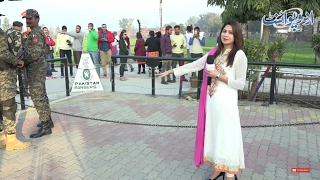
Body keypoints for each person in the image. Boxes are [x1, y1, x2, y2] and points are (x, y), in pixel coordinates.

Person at [159, 20, 247, 180]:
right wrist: (172, 70)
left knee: (226, 135)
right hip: (212, 102)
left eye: (230, 32)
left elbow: (241, 84)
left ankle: (229, 173)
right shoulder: (215, 52)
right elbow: (195, 65)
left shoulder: (239, 55)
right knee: (214, 134)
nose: (226, 34)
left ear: (236, 35)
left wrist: (218, 76)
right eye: (224, 31)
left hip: (226, 104)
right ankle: (218, 168)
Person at [22, 9, 54, 138]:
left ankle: (46, 125)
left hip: (36, 70)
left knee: (38, 97)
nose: (28, 20)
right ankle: (47, 121)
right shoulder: (34, 32)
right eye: (26, 18)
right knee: (42, 95)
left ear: (37, 19)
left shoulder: (36, 34)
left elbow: (34, 54)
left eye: (30, 18)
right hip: (36, 70)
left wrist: (22, 61)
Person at [0, 27, 31, 151]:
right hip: (4, 74)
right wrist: (16, 60)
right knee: (8, 106)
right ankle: (12, 140)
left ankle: (2, 137)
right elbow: (2, 53)